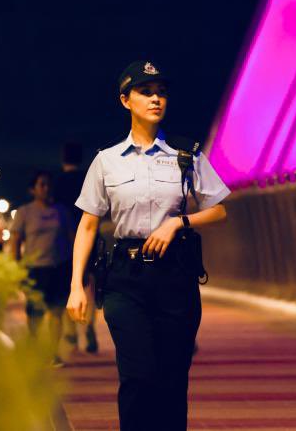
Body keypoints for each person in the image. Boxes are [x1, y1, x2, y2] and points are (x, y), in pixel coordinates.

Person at [66, 60, 230, 431]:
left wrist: (177, 222)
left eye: (161, 93)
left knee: (172, 381)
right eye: (145, 92)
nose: (156, 99)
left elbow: (219, 210)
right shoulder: (106, 161)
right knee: (137, 377)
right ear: (125, 100)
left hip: (176, 277)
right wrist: (76, 285)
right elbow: (88, 225)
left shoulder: (186, 155)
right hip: (125, 280)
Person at [9, 170, 73, 366]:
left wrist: (78, 267)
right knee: (35, 314)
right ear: (33, 189)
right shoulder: (25, 212)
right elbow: (15, 241)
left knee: (57, 312)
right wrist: (16, 267)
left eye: (48, 184)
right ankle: (36, 350)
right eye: (41, 184)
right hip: (35, 269)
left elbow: (72, 238)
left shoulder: (61, 211)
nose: (46, 188)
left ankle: (53, 353)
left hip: (58, 267)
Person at [53, 142, 98, 354]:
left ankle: (70, 330)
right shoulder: (86, 179)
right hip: (88, 237)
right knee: (90, 287)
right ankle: (88, 326)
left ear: (63, 158)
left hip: (62, 243)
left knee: (67, 286)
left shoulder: (56, 182)